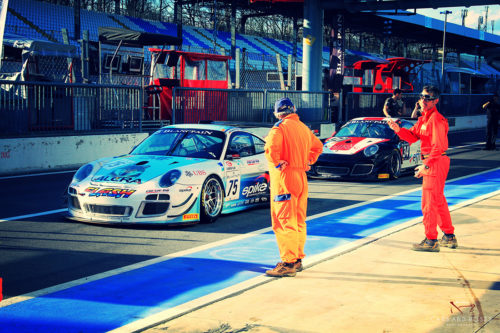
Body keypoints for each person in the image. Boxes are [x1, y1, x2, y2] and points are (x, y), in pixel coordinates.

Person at [387, 86, 457, 252]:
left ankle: (431, 240)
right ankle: (449, 236)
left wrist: (426, 165)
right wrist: (398, 130)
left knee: (429, 203)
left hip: (435, 161)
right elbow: (412, 137)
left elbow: (438, 146)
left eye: (428, 98)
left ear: (436, 101)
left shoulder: (436, 120)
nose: (424, 100)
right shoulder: (423, 119)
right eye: (422, 97)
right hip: (435, 162)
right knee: (438, 201)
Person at [264, 98, 323, 277]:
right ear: (294, 110)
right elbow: (318, 146)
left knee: (283, 221)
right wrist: (308, 160)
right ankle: (297, 260)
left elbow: (270, 149)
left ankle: (288, 263)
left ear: (277, 113)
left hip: (285, 178)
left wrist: (276, 163)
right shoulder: (304, 129)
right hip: (301, 177)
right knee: (298, 220)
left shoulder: (279, 128)